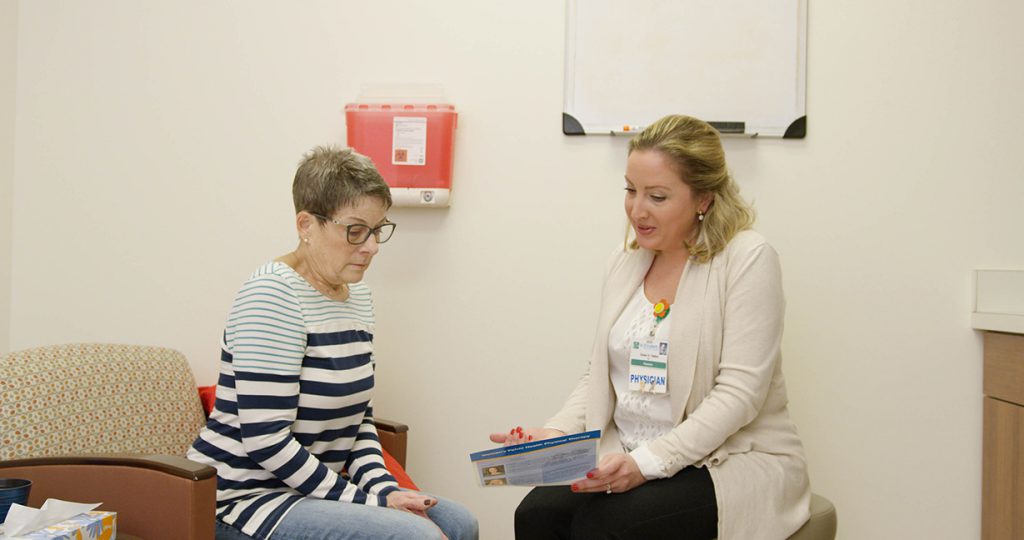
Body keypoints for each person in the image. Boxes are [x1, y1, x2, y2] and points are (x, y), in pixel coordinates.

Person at [492, 115, 811, 540]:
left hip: (725, 459)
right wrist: (554, 435)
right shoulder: (625, 262)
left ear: (704, 199)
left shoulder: (747, 259)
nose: (636, 210)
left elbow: (740, 394)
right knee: (537, 514)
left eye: (657, 196)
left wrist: (646, 465)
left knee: (603, 526)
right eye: (630, 190)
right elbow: (598, 375)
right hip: (625, 449)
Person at [188, 146, 478, 540]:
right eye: (356, 231)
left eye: (377, 230)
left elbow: (357, 423)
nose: (372, 246)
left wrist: (385, 489)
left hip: (311, 493)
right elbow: (266, 439)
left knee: (461, 524)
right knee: (417, 537)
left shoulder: (358, 297)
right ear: (306, 225)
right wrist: (372, 504)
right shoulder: (272, 296)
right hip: (244, 500)